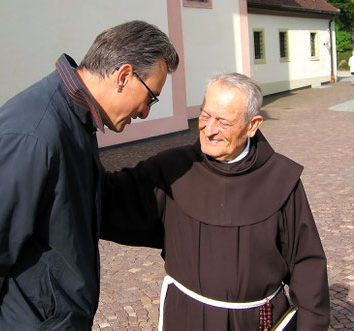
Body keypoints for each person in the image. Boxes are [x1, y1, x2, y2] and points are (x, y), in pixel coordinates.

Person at [0, 20, 179, 331]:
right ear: (123, 76)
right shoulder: (33, 136)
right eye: (150, 97)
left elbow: (85, 204)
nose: (145, 112)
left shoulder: (75, 118)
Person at [101, 73, 330, 330]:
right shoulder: (172, 168)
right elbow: (109, 198)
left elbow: (306, 265)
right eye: (205, 115)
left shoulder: (282, 180)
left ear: (253, 125)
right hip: (186, 317)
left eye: (223, 121)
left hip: (255, 322)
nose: (209, 130)